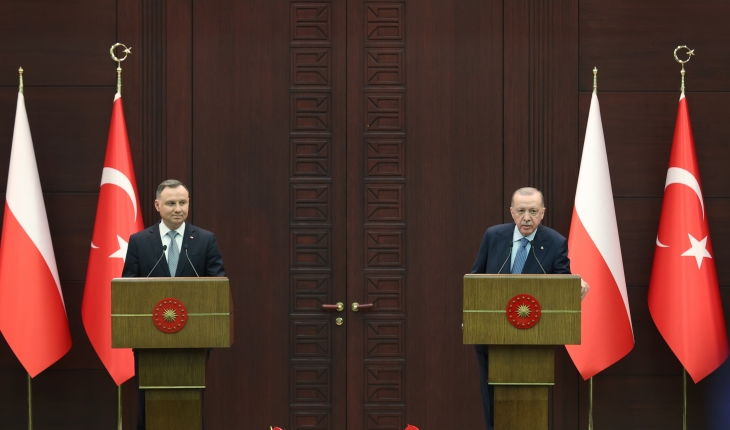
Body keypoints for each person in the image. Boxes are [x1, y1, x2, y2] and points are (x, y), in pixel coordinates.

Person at [470, 187, 588, 430]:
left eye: (533, 211)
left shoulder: (555, 242)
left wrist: (574, 287)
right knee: (492, 404)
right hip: (492, 336)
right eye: (521, 211)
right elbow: (475, 280)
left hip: (534, 342)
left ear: (542, 213)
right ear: (512, 212)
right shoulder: (493, 236)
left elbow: (561, 287)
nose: (526, 218)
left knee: (529, 409)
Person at [122, 179, 226, 430]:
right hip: (149, 341)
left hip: (193, 340)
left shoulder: (205, 240)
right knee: (147, 408)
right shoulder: (139, 241)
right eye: (171, 203)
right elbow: (128, 289)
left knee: (191, 406)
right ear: (157, 205)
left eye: (183, 202)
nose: (178, 209)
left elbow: (218, 285)